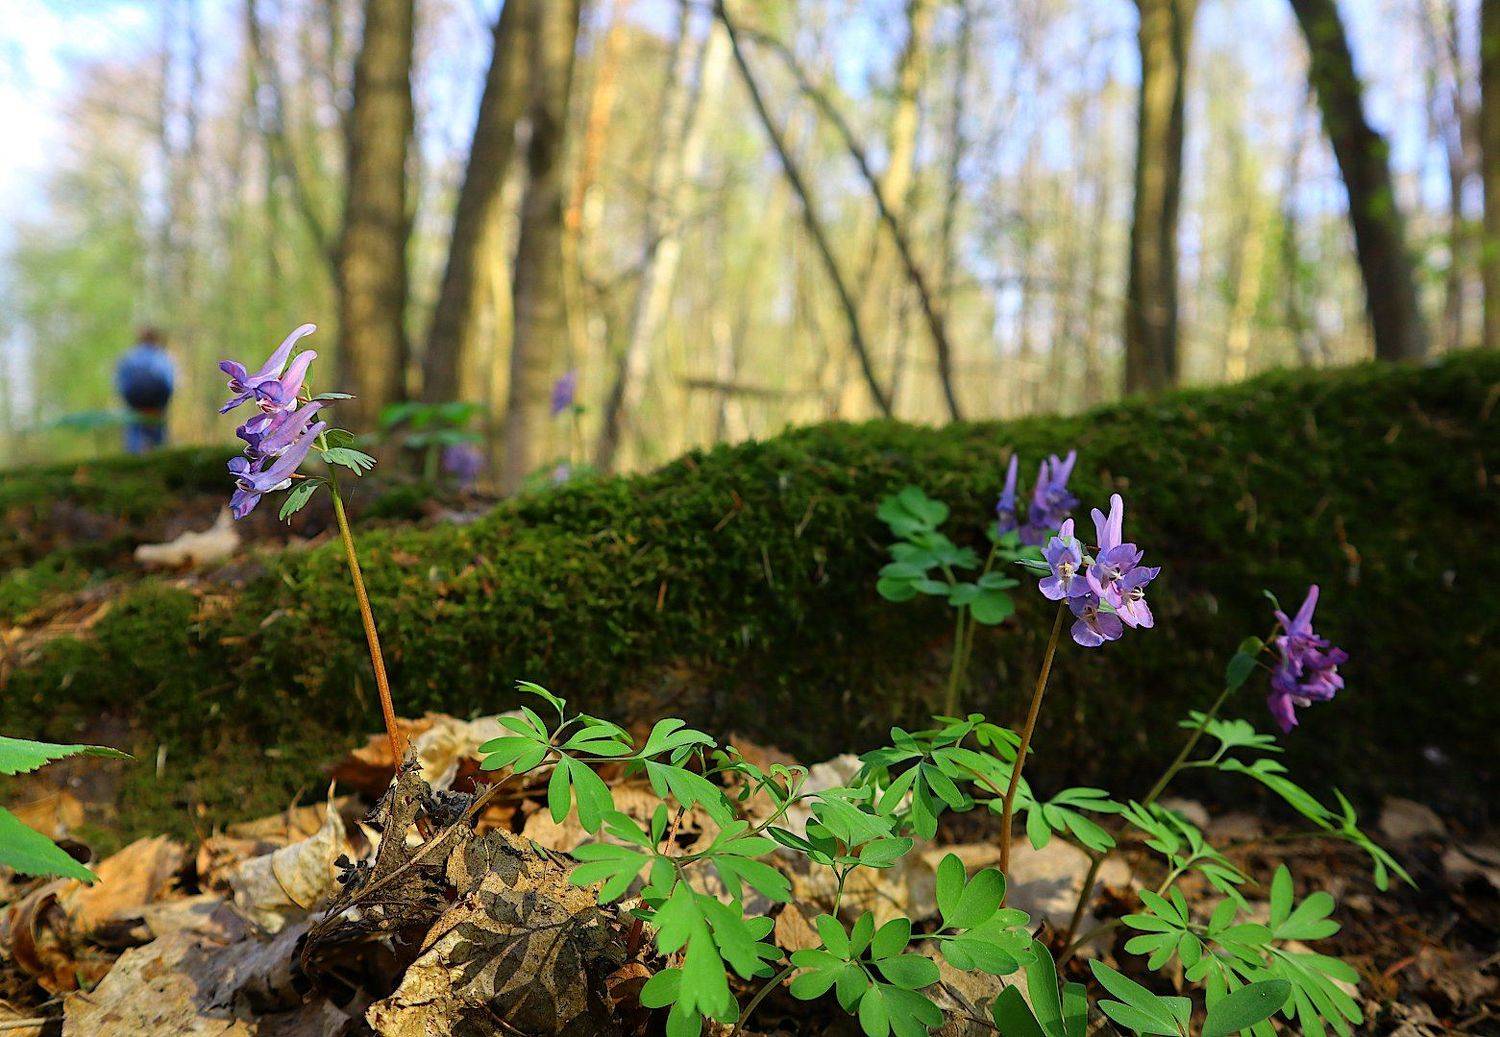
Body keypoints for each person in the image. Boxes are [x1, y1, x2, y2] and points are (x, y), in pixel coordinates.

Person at [115, 328, 175, 454]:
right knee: (159, 437)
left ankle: (135, 463)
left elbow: (121, 384)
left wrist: (129, 403)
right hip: (157, 406)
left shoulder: (128, 358)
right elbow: (169, 383)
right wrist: (162, 405)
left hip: (135, 406)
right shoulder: (162, 357)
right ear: (155, 339)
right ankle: (159, 461)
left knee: (134, 434)